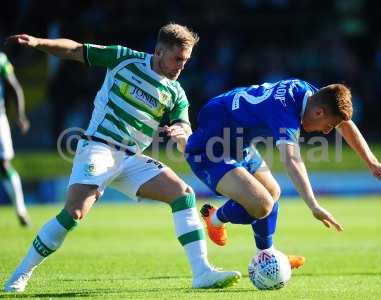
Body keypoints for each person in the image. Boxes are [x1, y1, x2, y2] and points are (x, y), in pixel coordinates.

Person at [4, 23, 241, 293]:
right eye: (177, 59)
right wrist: (38, 42)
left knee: (182, 193)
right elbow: (76, 50)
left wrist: (181, 135)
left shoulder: (176, 93)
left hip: (130, 159)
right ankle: (19, 274)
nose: (181, 67)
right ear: (159, 51)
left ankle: (201, 272)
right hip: (99, 147)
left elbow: (184, 128)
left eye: (185, 61)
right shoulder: (123, 58)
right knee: (74, 213)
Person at [180, 79, 381, 264]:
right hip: (210, 150)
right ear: (319, 112)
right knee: (262, 204)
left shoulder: (308, 93)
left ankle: (267, 256)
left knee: (272, 194)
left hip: (239, 143)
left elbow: (344, 124)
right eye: (328, 126)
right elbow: (292, 159)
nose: (327, 131)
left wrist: (371, 161)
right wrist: (314, 205)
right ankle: (215, 217)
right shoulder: (284, 111)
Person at [0, 51, 31, 227]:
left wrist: (20, 116)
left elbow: (14, 87)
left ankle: (20, 209)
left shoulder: (1, 59)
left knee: (4, 165)